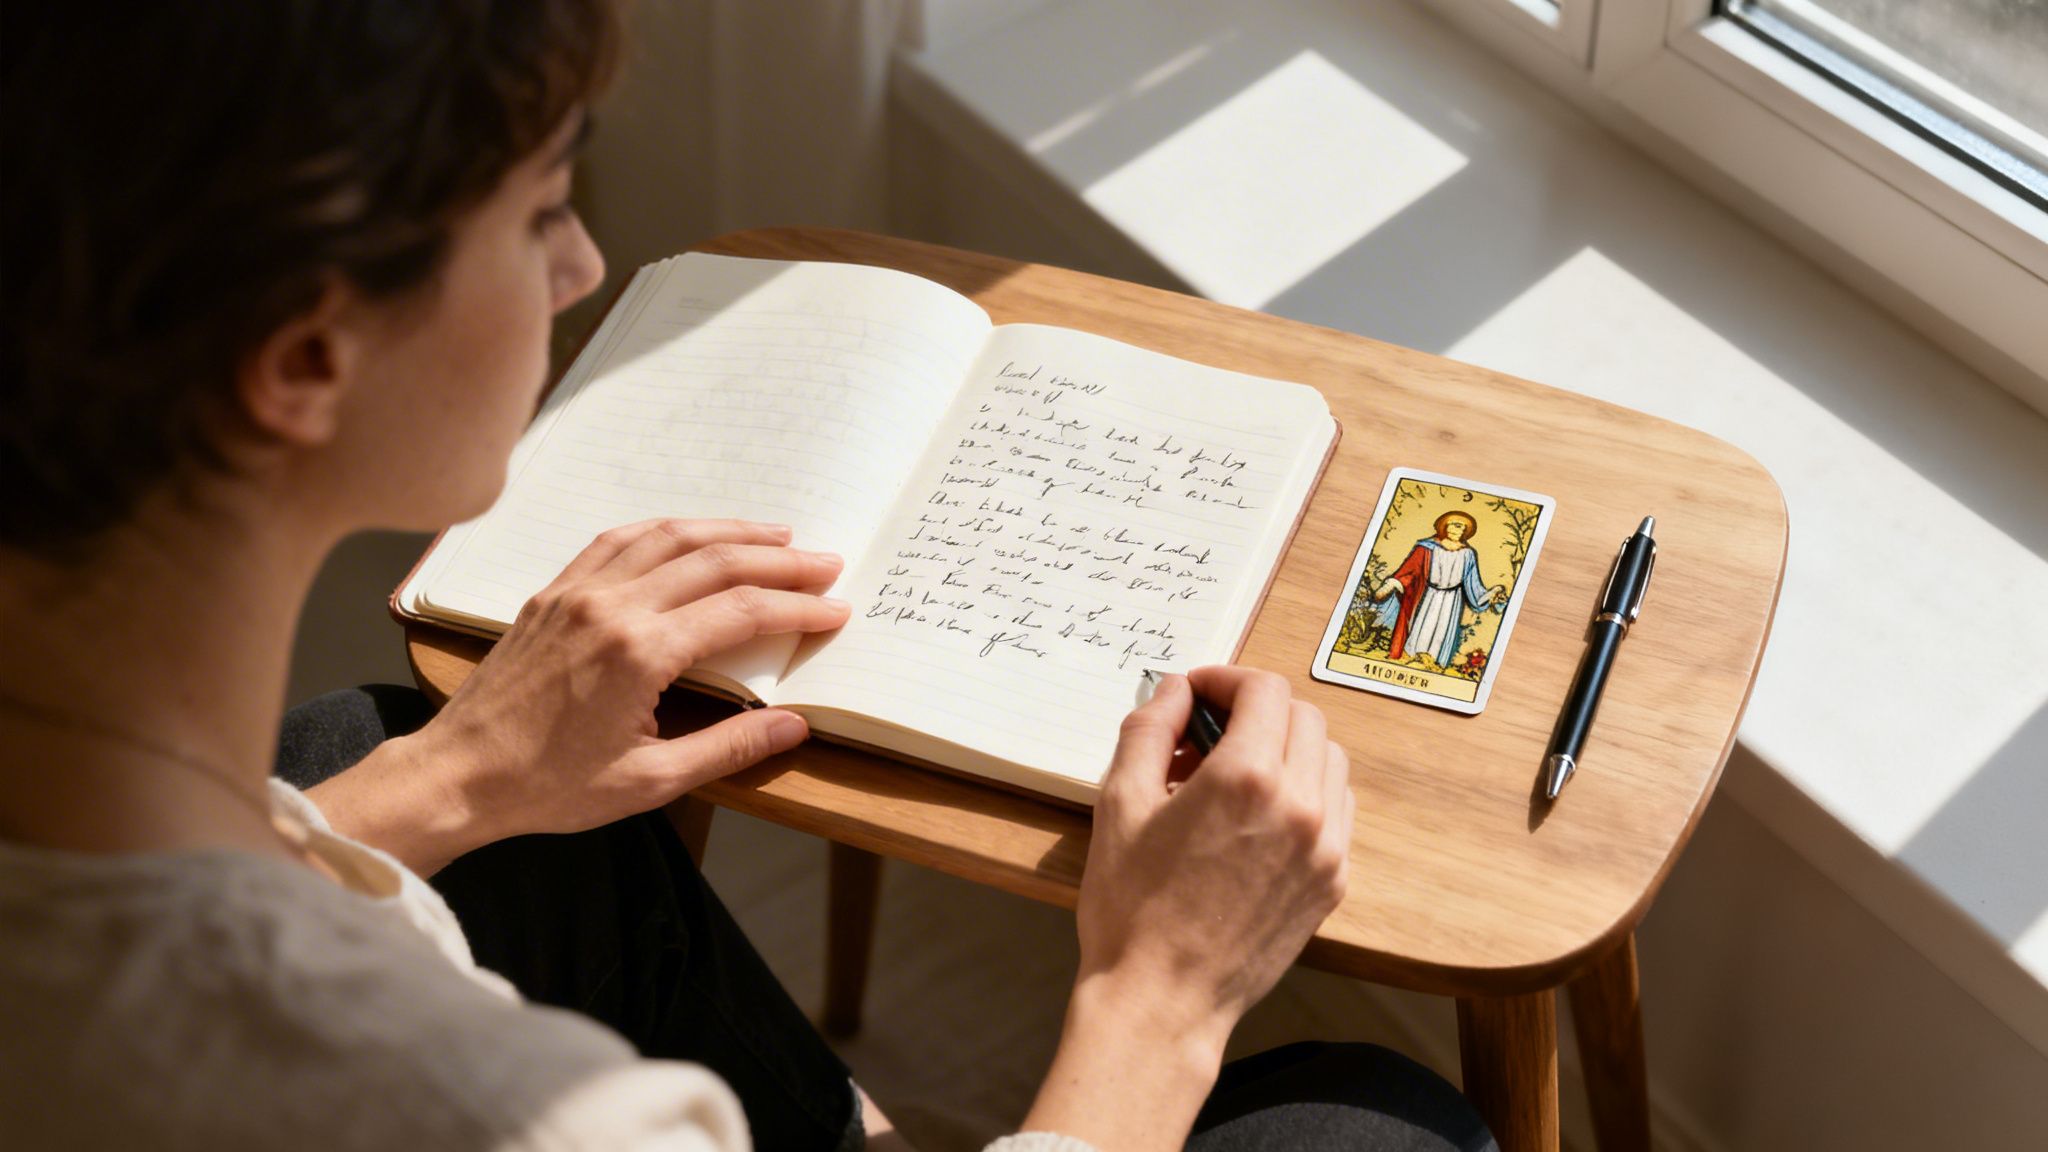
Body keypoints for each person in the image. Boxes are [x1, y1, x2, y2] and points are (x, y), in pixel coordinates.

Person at [0, 3, 1495, 1150]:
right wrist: (1156, 1002)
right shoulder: (522, 1115)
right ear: (308, 357)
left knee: (373, 747)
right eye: (537, 209)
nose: (583, 267)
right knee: (1368, 1112)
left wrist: (452, 780)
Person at [1373, 512, 1507, 668]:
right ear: (1445, 527)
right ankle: (1412, 657)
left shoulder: (1468, 554)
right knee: (1422, 627)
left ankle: (1433, 662)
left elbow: (1473, 583)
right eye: (1455, 525)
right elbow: (1410, 569)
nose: (1459, 530)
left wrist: (1491, 594)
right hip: (1428, 595)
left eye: (1462, 528)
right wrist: (1393, 583)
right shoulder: (1427, 547)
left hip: (1452, 600)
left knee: (1443, 630)